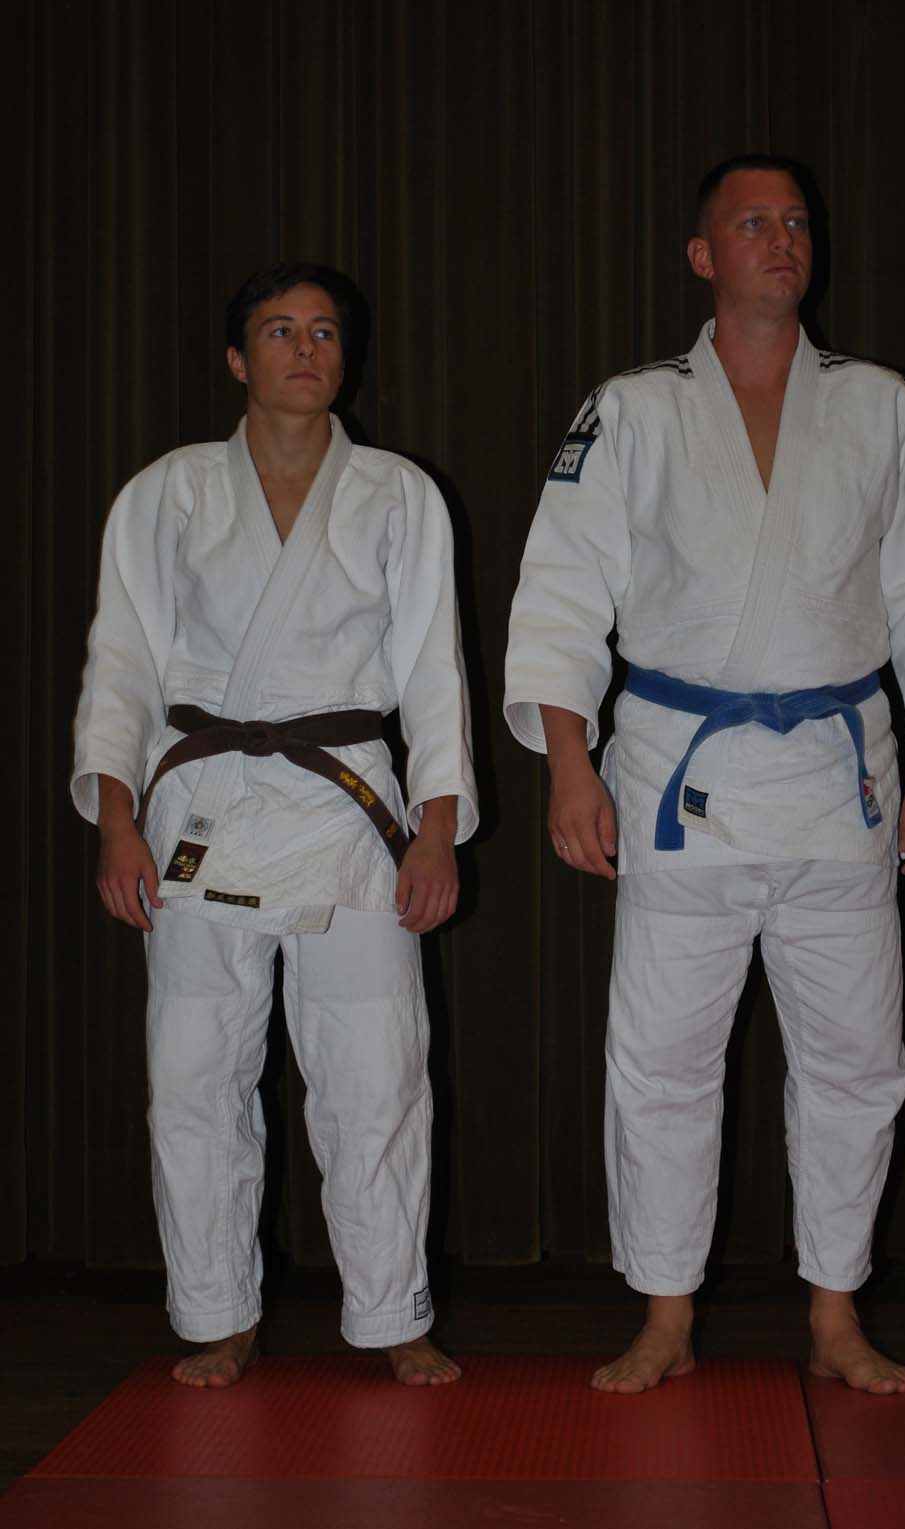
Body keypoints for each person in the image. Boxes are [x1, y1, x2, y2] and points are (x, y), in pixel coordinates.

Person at [504, 156, 905, 1396]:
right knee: (661, 1062)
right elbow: (561, 593)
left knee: (856, 1060)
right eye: (750, 222)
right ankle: (666, 1312)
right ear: (702, 256)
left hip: (843, 779)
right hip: (676, 774)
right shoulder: (632, 409)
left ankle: (834, 1311)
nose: (779, 238)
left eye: (794, 221)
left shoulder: (881, 405)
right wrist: (568, 764)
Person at [72, 261, 477, 1388]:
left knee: (376, 1069)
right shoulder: (166, 494)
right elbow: (121, 664)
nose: (306, 348)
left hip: (347, 804)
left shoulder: (396, 493)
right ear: (236, 358)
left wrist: (437, 828)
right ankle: (219, 1311)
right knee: (195, 1072)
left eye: (325, 331)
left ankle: (391, 1310)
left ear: (346, 357)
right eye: (280, 330)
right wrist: (115, 821)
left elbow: (434, 668)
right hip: (201, 801)